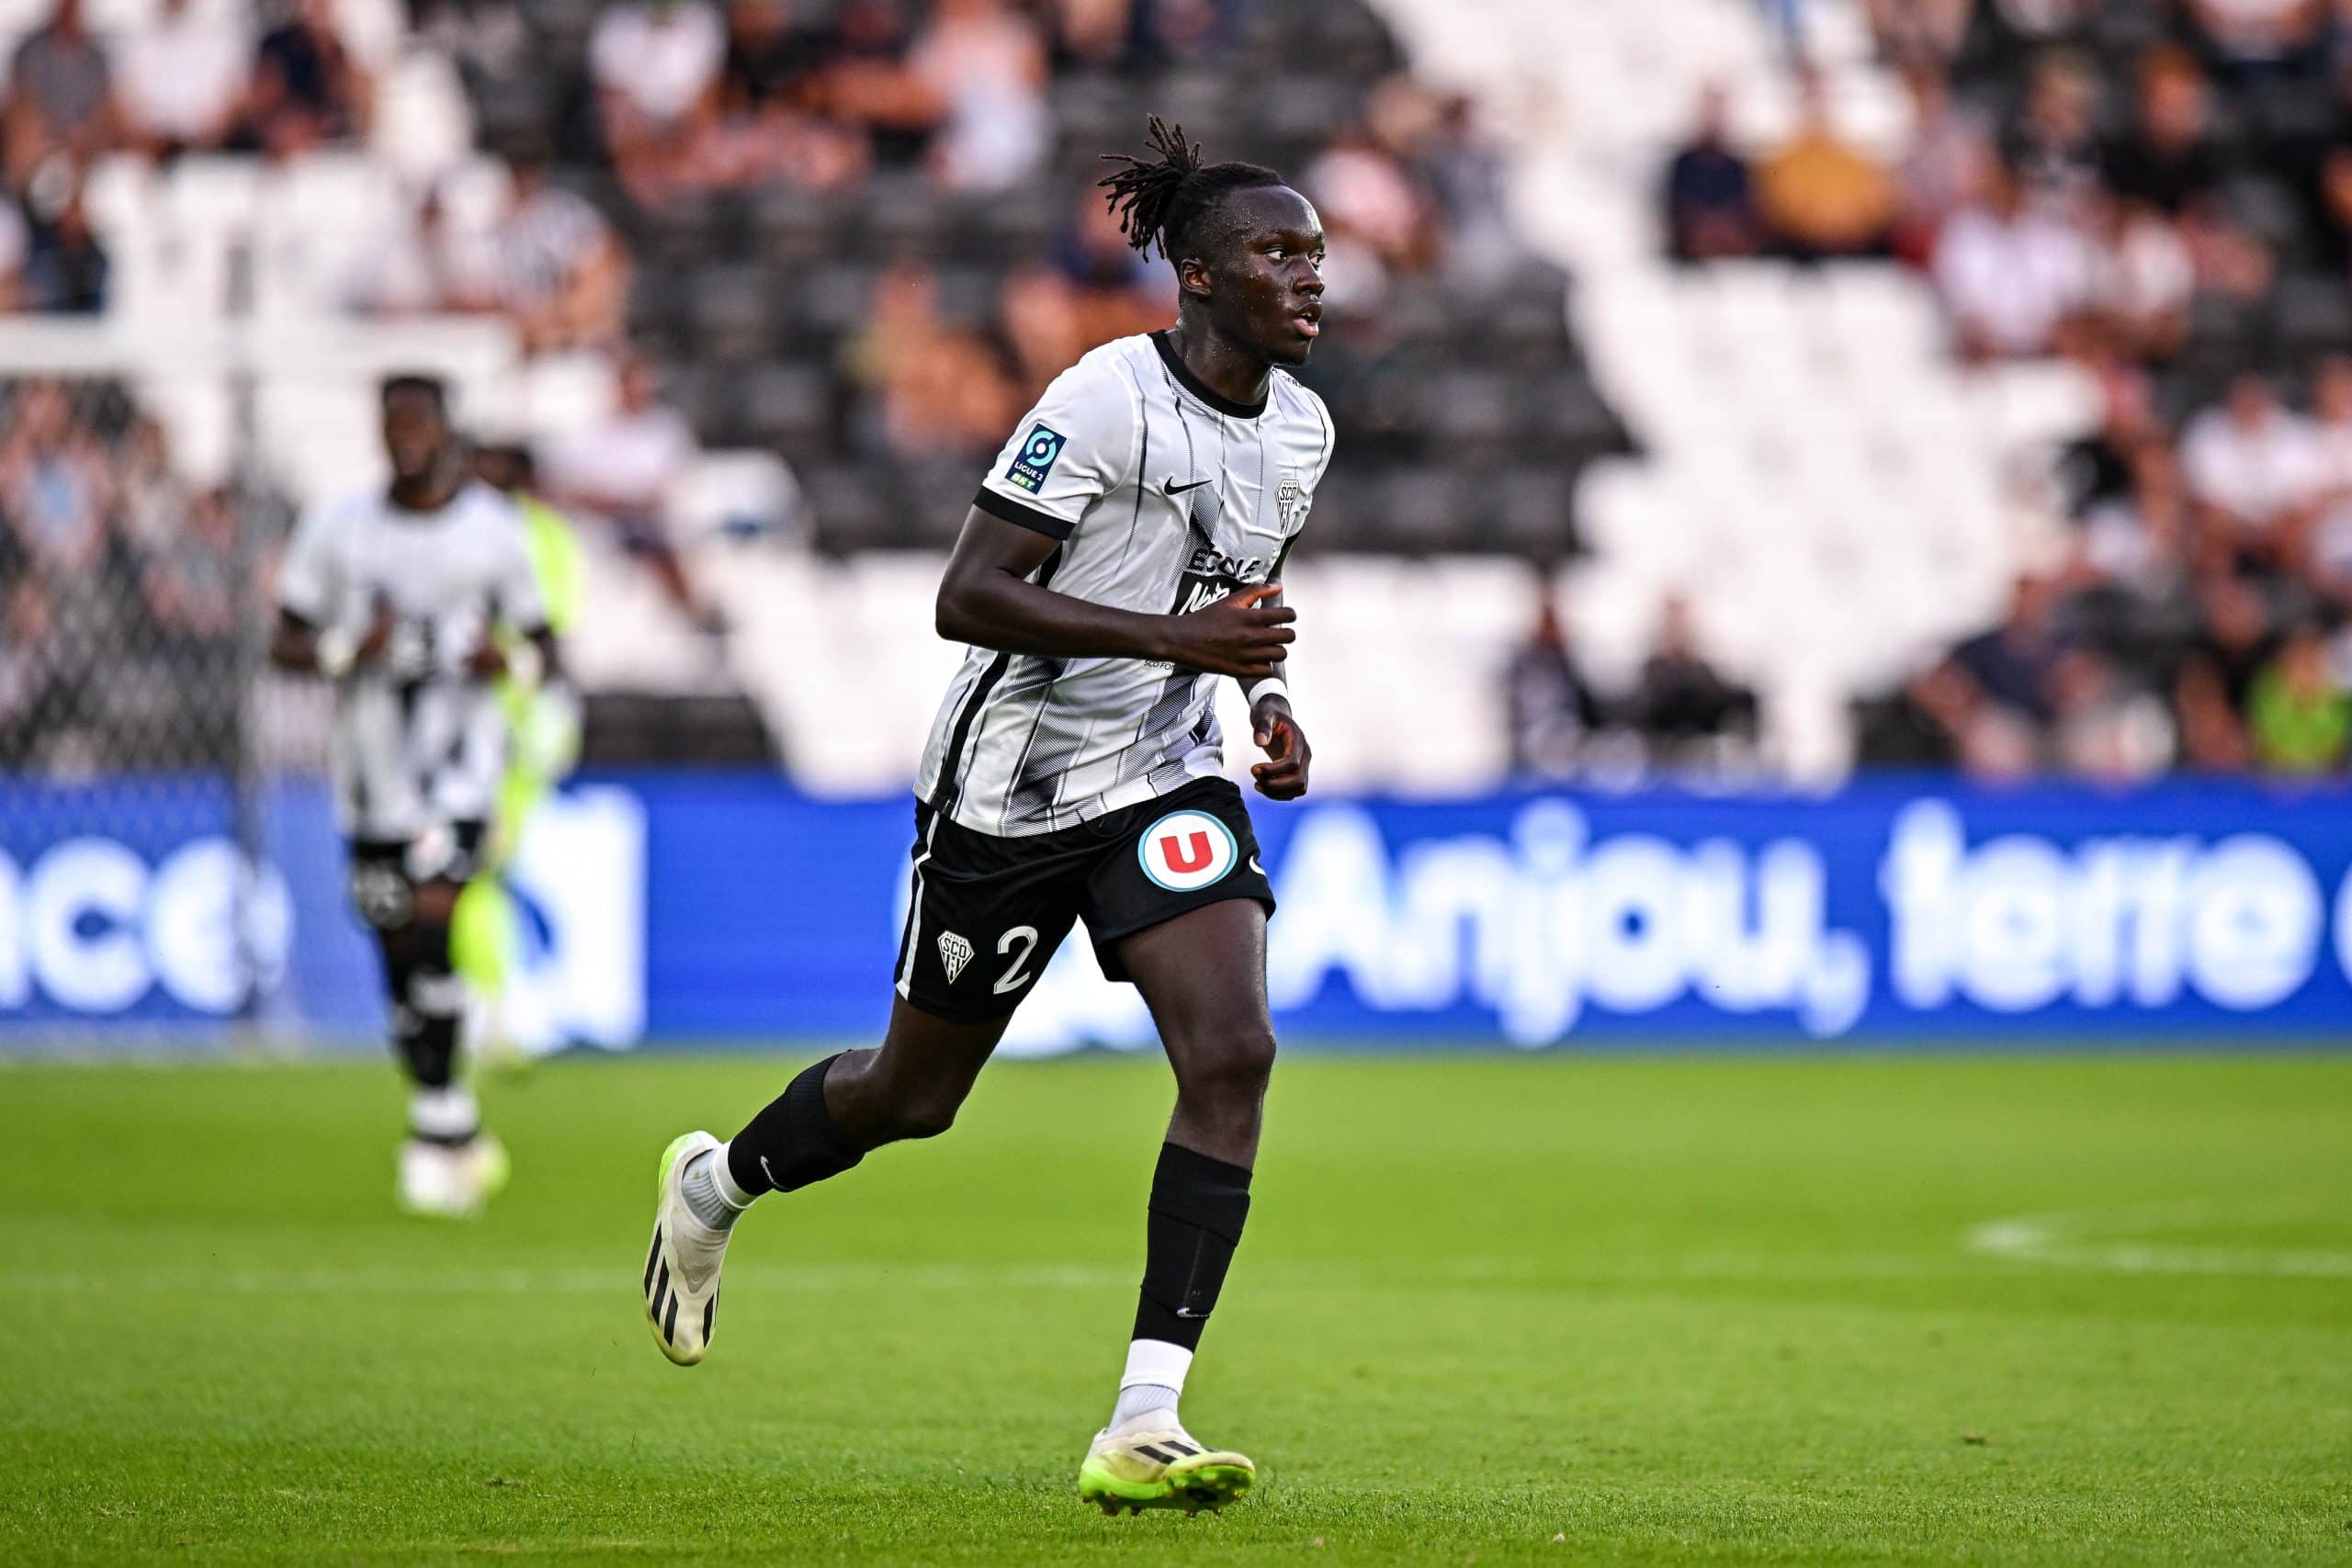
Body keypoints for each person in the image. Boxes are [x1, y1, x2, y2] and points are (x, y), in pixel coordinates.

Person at [638, 116, 1331, 1517]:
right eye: (1277, 253)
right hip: (1009, 786)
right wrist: (1181, 644)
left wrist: (1262, 707)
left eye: (1317, 256)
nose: (1311, 278)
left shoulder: (1302, 430)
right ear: (1196, 273)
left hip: (1161, 770)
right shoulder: (1104, 398)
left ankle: (1147, 1412)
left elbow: (1232, 600)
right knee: (916, 1093)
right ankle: (720, 1183)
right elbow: (967, 593)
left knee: (1235, 1045)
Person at [269, 377, 564, 1217]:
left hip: (462, 771)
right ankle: (450, 1119)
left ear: (446, 432)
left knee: (433, 919)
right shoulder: (340, 529)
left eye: (418, 422)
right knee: (398, 951)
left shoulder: (494, 532)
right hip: (371, 779)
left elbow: (547, 650)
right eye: (391, 422)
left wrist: (508, 664)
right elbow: (282, 641)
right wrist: (341, 649)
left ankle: (438, 1133)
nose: (404, 437)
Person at [450, 444, 586, 1065]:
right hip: (497, 728)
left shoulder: (523, 540)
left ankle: (491, 1009)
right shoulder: (545, 538)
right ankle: (489, 1006)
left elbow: (540, 641)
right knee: (475, 869)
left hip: (511, 732)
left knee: (476, 867)